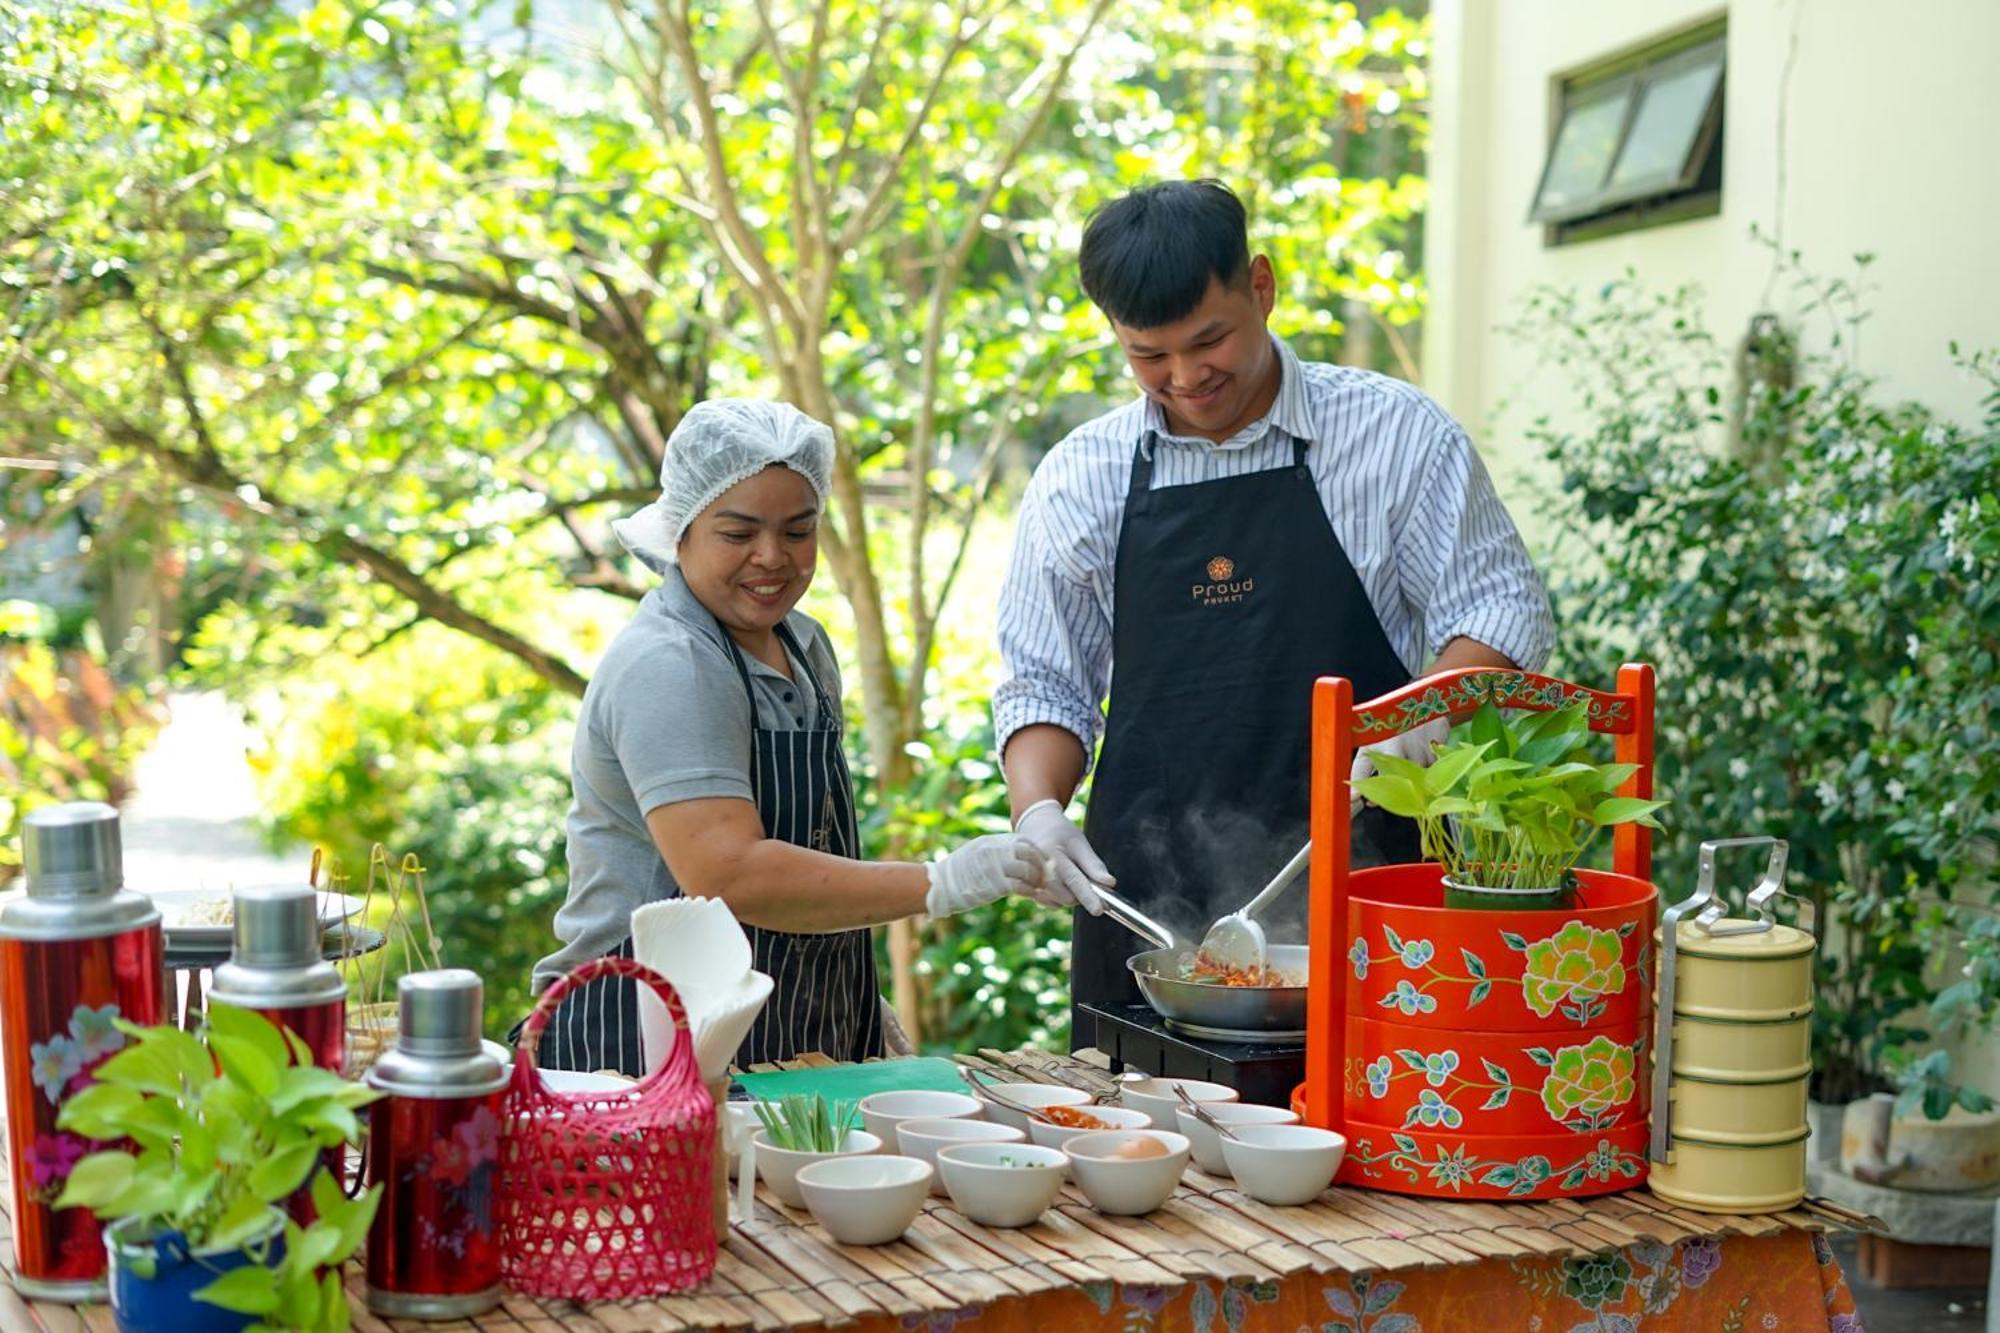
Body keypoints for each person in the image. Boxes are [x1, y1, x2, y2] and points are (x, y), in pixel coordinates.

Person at [993, 180, 1554, 1044]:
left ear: (1261, 285)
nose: (1185, 377)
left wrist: (1413, 721)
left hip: (1379, 890)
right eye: (1150, 355)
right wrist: (1038, 811)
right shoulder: (1081, 477)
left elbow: (1498, 610)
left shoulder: (1396, 436)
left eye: (1209, 339)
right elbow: (1044, 683)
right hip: (1150, 915)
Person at [527, 399, 1066, 1074]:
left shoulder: (803, 645)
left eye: (798, 529)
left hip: (784, 1032)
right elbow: (730, 872)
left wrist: (852, 998)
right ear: (682, 529)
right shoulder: (672, 664)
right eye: (738, 532)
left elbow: (811, 850)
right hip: (641, 1039)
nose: (772, 557)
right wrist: (941, 881)